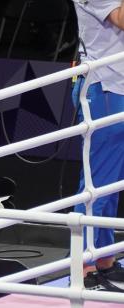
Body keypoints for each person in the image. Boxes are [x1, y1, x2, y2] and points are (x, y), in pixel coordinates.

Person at [72, 0, 124, 292]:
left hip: (119, 87)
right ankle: (84, 268)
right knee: (96, 186)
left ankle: (104, 261)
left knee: (112, 185)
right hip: (104, 89)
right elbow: (121, 17)